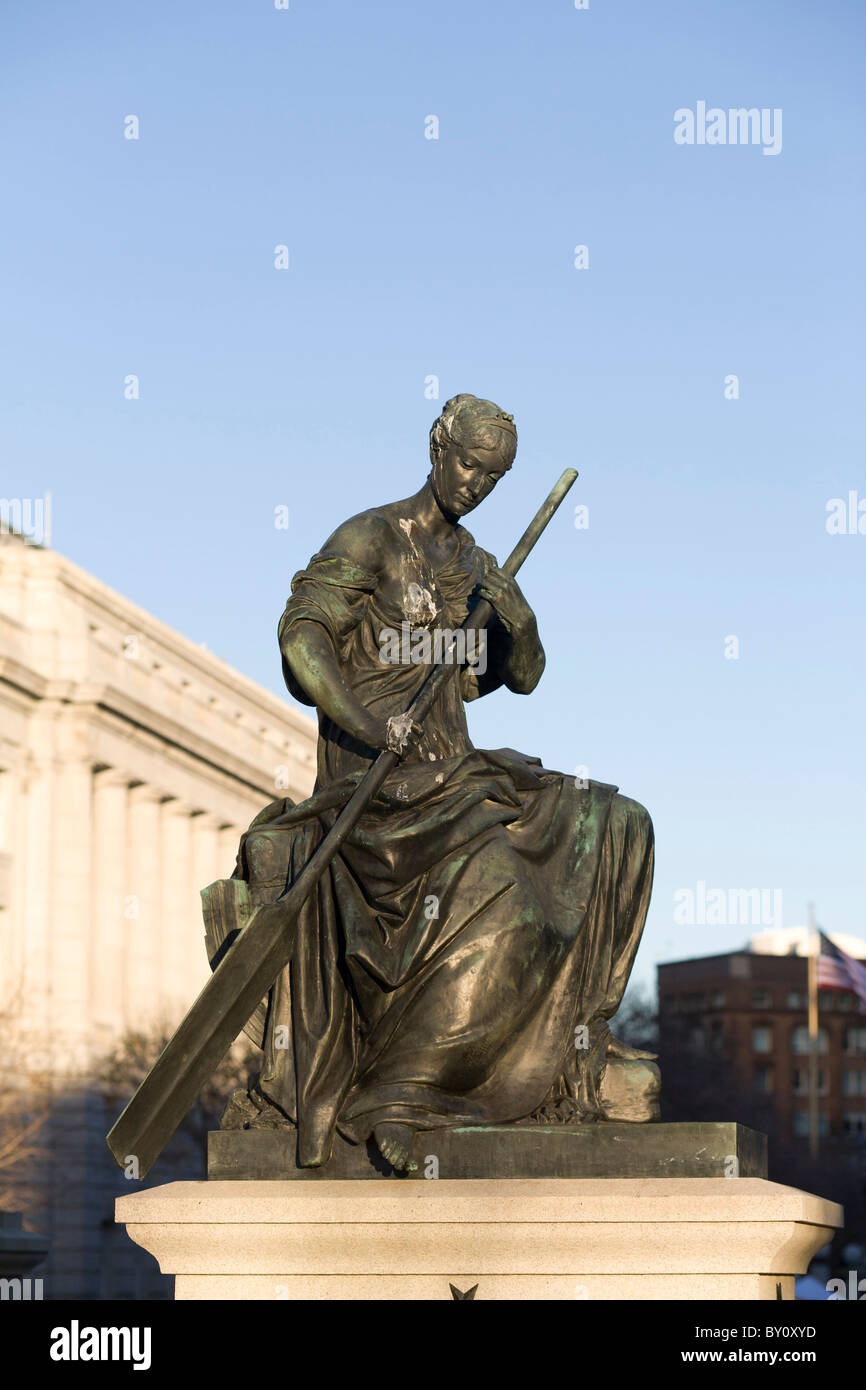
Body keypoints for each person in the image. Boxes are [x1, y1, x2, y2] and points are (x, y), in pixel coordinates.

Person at [228, 394, 657, 1172]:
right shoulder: (370, 536)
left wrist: (518, 623)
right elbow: (301, 640)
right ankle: (402, 1089)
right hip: (376, 790)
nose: (476, 484)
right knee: (512, 899)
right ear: (437, 448)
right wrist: (364, 721)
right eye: (467, 464)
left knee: (623, 824)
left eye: (494, 476)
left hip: (455, 777)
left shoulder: (476, 567)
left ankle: (581, 1042)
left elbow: (516, 677)